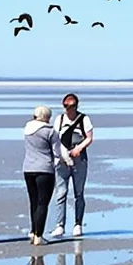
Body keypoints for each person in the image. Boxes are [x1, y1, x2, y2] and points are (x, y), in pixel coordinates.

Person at [48, 92, 95, 239]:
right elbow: (55, 138)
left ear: (76, 106)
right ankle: (59, 225)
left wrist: (79, 148)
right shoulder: (59, 119)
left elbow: (89, 138)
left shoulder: (84, 119)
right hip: (62, 160)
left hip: (79, 159)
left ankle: (78, 224)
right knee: (61, 193)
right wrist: (60, 155)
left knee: (79, 193)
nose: (69, 109)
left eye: (72, 106)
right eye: (66, 106)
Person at [21, 104, 62, 245]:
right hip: (45, 169)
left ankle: (33, 231)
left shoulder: (27, 128)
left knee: (33, 201)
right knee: (43, 203)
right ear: (48, 117)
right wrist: (60, 162)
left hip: (28, 168)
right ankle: (39, 235)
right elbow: (57, 152)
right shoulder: (50, 131)